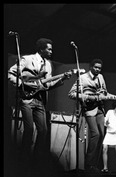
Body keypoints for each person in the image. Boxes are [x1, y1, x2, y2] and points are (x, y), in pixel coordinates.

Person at [8, 38, 71, 170]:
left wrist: (62, 78)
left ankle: (35, 161)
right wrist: (22, 85)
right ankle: (23, 160)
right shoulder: (27, 59)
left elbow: (47, 85)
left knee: (43, 131)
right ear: (41, 49)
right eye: (48, 49)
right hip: (26, 99)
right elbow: (11, 73)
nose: (51, 51)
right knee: (29, 129)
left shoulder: (48, 65)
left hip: (40, 100)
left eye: (51, 49)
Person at [68, 58, 116, 173]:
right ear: (91, 67)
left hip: (99, 108)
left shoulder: (101, 78)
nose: (98, 70)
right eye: (96, 67)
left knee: (102, 134)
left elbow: (104, 93)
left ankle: (94, 164)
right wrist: (89, 97)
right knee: (96, 134)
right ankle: (88, 164)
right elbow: (72, 94)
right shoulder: (83, 78)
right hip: (89, 109)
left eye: (100, 68)